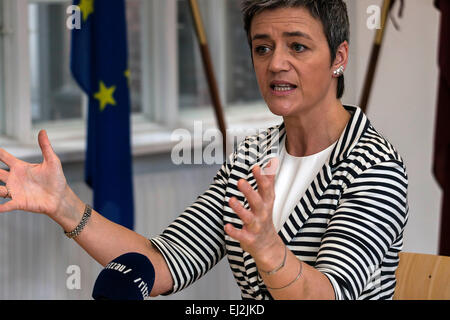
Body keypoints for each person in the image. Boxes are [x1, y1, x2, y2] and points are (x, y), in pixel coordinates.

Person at [0, 0, 408, 300]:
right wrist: (63, 205)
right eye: (262, 47)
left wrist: (268, 250)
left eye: (297, 47)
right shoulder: (251, 155)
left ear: (339, 57)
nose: (276, 63)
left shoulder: (374, 166)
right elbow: (165, 262)